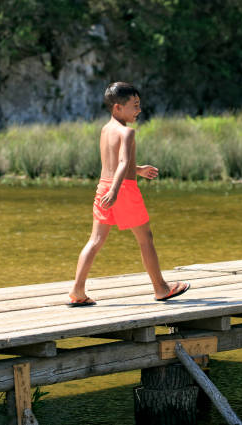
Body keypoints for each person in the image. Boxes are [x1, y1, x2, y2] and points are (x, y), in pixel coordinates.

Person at [68, 82, 190, 307]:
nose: (138, 110)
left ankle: (77, 290)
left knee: (95, 240)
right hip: (121, 190)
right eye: (134, 105)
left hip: (103, 187)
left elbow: (112, 164)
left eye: (139, 105)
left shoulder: (105, 130)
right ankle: (161, 288)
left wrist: (139, 170)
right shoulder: (127, 132)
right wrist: (116, 190)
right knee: (146, 239)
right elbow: (122, 162)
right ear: (117, 108)